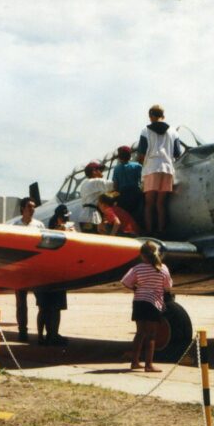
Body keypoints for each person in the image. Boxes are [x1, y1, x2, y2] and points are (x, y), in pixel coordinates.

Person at [121, 242, 172, 372]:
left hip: (139, 302)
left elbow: (125, 281)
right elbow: (168, 287)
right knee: (151, 335)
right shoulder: (162, 268)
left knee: (139, 333)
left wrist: (136, 288)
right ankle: (149, 365)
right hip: (153, 303)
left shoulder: (138, 268)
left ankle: (135, 362)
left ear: (142, 256)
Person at [136, 104, 182, 235]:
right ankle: (161, 230)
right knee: (161, 204)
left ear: (151, 116)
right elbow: (177, 153)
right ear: (163, 116)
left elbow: (141, 153)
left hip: (152, 168)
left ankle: (149, 231)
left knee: (149, 204)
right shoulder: (173, 131)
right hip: (167, 169)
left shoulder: (145, 130)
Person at [36, 207, 71, 345]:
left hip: (57, 275)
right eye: (65, 217)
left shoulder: (68, 230)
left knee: (54, 308)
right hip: (46, 275)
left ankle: (52, 335)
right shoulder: (47, 233)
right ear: (59, 218)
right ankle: (42, 336)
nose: (67, 220)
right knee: (45, 308)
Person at [14, 197, 44, 341]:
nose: (32, 210)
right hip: (21, 271)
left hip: (36, 269)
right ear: (22, 209)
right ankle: (22, 331)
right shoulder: (15, 226)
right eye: (29, 207)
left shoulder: (39, 225)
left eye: (33, 207)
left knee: (42, 303)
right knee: (21, 303)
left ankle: (40, 334)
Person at [76, 161, 113, 233]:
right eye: (100, 170)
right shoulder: (95, 181)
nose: (102, 173)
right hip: (92, 216)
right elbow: (112, 185)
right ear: (94, 172)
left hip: (83, 216)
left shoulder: (84, 184)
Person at [110, 145, 143, 224]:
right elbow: (143, 180)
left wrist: (114, 199)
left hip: (123, 196)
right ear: (130, 155)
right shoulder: (138, 166)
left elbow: (115, 186)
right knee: (137, 214)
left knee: (126, 216)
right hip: (136, 193)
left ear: (119, 157)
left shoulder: (117, 169)